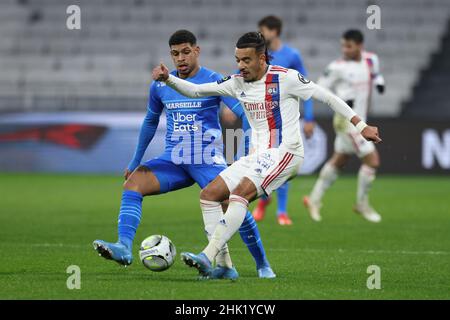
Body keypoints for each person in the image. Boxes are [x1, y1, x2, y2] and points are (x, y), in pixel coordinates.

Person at [151, 31, 381, 277]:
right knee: (210, 195)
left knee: (240, 194)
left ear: (262, 58)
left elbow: (328, 97)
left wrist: (361, 125)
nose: (241, 66)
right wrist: (168, 79)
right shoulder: (236, 82)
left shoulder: (287, 78)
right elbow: (197, 91)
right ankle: (225, 267)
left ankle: (207, 255)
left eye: (246, 60)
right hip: (256, 157)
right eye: (237, 60)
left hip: (287, 153)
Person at [93, 30, 275, 280]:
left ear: (197, 51)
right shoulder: (161, 85)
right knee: (133, 184)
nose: (181, 58)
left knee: (232, 204)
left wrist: (245, 154)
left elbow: (244, 113)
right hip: (174, 161)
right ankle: (124, 247)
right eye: (175, 54)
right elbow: (150, 121)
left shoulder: (214, 81)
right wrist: (135, 161)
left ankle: (262, 264)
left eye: (186, 52)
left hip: (206, 160)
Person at [222, 15, 315, 225]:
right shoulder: (253, 56)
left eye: (264, 30)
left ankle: (281, 211)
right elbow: (239, 80)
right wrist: (230, 106)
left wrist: (309, 117)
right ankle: (261, 200)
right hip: (257, 121)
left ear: (275, 31)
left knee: (282, 162)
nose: (261, 34)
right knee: (252, 161)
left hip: (282, 120)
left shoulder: (292, 55)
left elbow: (307, 87)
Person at [303, 29, 385, 223]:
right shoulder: (336, 67)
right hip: (347, 122)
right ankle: (361, 204)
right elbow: (319, 88)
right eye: (343, 46)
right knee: (372, 161)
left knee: (339, 160)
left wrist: (380, 83)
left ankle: (314, 199)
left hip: (361, 119)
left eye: (349, 46)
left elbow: (376, 74)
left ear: (359, 46)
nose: (345, 50)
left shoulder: (371, 59)